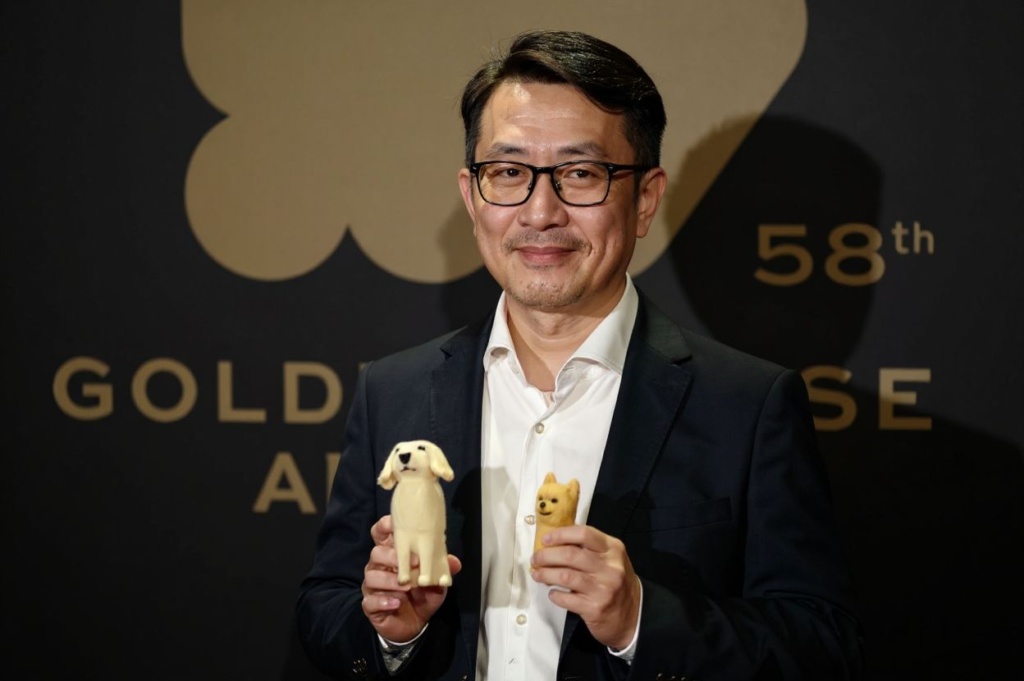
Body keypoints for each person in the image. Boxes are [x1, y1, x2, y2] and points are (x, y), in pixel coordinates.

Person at [296, 29, 863, 681]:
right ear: (471, 195)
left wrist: (641, 619)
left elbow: (823, 646)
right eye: (508, 172)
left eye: (580, 174)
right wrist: (387, 629)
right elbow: (325, 609)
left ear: (645, 198)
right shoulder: (394, 389)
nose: (541, 211)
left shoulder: (748, 406)